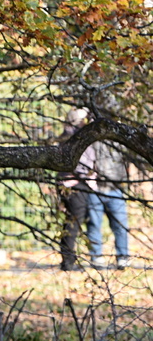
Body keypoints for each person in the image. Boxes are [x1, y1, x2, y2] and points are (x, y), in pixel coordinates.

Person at [55, 109, 96, 271]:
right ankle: (68, 261)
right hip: (75, 184)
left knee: (69, 222)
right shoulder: (77, 138)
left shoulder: (65, 135)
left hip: (66, 183)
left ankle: (68, 258)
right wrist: (85, 176)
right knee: (73, 223)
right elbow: (79, 163)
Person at [86, 139, 131, 269]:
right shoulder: (92, 141)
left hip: (115, 189)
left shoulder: (118, 142)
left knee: (121, 225)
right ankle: (96, 257)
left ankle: (123, 257)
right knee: (94, 225)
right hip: (95, 190)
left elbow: (125, 162)